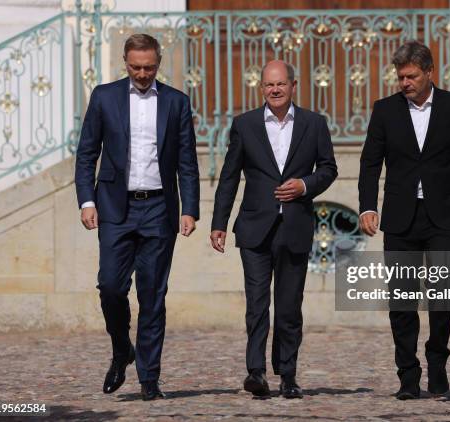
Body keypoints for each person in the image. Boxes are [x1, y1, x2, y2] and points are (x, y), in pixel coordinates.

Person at [358, 40, 450, 400]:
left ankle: (437, 363)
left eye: (412, 76)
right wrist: (367, 206)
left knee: (442, 296)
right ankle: (407, 375)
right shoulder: (385, 110)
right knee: (401, 299)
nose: (405, 83)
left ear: (429, 72)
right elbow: (371, 162)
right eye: (401, 77)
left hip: (443, 218)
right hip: (400, 218)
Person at [75, 33, 200, 401]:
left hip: (160, 209)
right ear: (124, 63)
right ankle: (121, 348)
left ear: (158, 64)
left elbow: (187, 163)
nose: (142, 74)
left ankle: (149, 378)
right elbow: (86, 154)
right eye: (135, 67)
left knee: (153, 295)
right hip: (115, 207)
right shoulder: (104, 97)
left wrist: (189, 208)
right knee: (110, 286)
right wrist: (86, 201)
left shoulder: (177, 102)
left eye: (149, 67)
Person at [210, 60, 337, 399]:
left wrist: (304, 185)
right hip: (254, 229)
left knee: (289, 307)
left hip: (294, 226)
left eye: (281, 84)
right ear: (261, 88)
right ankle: (256, 373)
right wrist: (219, 223)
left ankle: (288, 375)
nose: (275, 90)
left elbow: (328, 169)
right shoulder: (245, 124)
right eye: (269, 85)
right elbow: (229, 176)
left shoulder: (314, 124)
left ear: (293, 85)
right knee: (256, 304)